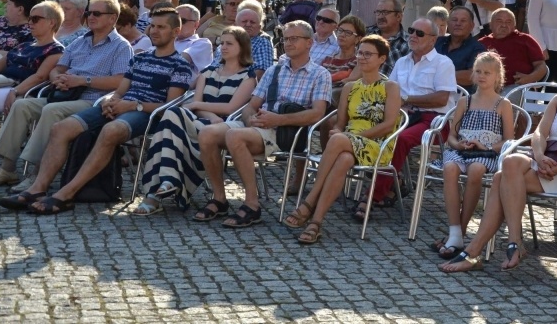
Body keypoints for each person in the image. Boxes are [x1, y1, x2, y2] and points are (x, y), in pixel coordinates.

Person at [0, 7, 193, 214]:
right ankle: (37, 188)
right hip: (120, 106)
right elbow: (120, 90)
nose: (154, 31)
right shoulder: (141, 58)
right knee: (61, 128)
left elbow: (169, 108)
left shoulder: (180, 64)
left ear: (175, 31)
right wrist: (111, 100)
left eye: (161, 27)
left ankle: (66, 194)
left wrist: (132, 105)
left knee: (109, 132)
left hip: (146, 114)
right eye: (152, 26)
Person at [438, 51, 557, 272]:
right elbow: (539, 134)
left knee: (501, 178)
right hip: (545, 160)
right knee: (509, 164)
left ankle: (476, 251)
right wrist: (539, 156)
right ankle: (512, 243)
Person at [196, 21, 331, 227]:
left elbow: (317, 114)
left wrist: (278, 119)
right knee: (207, 133)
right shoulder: (274, 71)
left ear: (309, 43)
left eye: (294, 39)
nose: (288, 43)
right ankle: (219, 198)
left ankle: (252, 205)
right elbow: (252, 105)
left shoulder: (320, 74)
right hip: (260, 126)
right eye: (286, 39)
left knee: (234, 136)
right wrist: (251, 118)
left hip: (288, 133)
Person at [0, 0, 132, 192]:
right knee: (22, 104)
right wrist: (57, 77)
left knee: (52, 110)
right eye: (89, 12)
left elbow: (121, 81)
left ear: (113, 18)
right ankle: (8, 168)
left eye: (97, 13)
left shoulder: (121, 46)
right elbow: (57, 68)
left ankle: (37, 174)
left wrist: (83, 80)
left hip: (92, 101)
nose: (91, 16)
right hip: (64, 93)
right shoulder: (79, 42)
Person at [282, 35, 401, 244]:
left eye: (368, 54)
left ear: (382, 58)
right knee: (343, 158)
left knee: (338, 141)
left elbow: (388, 125)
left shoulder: (390, 87)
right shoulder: (350, 87)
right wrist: (338, 131)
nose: (362, 57)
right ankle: (316, 222)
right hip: (348, 144)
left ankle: (309, 201)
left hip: (377, 144)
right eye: (360, 53)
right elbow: (340, 122)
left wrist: (350, 136)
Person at [134, 26, 256, 214]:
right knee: (173, 114)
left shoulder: (248, 76)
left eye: (229, 43)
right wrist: (209, 114)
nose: (223, 47)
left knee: (171, 125)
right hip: (205, 121)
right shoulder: (207, 72)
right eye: (221, 43)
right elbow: (196, 104)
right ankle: (167, 180)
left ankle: (155, 193)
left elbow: (231, 108)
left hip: (227, 125)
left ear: (242, 47)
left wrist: (200, 108)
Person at [354, 17, 456, 219]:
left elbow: (442, 97)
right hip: (403, 115)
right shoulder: (402, 61)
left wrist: (406, 99)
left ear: (433, 39)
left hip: (434, 121)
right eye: (411, 30)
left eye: (420, 33)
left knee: (398, 140)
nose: (413, 36)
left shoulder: (443, 63)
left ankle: (372, 196)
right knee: (370, 130)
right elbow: (389, 92)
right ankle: (394, 180)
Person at [434, 52, 515, 259]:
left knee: (476, 170)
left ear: (497, 76)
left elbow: (508, 140)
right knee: (449, 167)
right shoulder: (465, 102)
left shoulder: (502, 104)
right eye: (478, 71)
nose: (482, 76)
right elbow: (452, 135)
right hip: (461, 151)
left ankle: (459, 232)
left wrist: (484, 145)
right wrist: (458, 144)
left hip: (486, 153)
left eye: (487, 73)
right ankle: (455, 231)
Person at [0, 1, 64, 115]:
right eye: (29, 19)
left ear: (51, 22)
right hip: (1, 84)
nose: (30, 23)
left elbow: (40, 77)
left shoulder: (56, 50)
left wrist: (15, 91)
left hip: (20, 90)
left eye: (35, 19)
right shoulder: (23, 46)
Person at [479, 8, 547, 94]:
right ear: (490, 25)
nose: (504, 25)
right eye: (499, 21)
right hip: (487, 88)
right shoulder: (481, 43)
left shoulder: (526, 40)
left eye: (508, 22)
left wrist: (530, 78)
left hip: (519, 88)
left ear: (514, 25)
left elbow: (541, 66)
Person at [209, 3, 274, 81]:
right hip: (213, 83)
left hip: (239, 87)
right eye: (244, 21)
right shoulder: (225, 43)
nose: (248, 24)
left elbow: (261, 72)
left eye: (252, 22)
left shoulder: (262, 42)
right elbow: (212, 67)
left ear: (259, 28)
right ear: (235, 25)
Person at [434, 6, 486, 93]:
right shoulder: (436, 42)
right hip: (430, 93)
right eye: (454, 20)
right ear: (448, 23)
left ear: (472, 26)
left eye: (463, 21)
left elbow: (473, 75)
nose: (458, 23)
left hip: (461, 100)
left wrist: (438, 74)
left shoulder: (477, 48)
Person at [365, 0, 409, 76]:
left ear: (399, 16)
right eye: (378, 12)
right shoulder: (366, 34)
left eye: (385, 12)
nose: (380, 17)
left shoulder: (408, 43)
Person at [321, 15, 364, 89]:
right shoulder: (327, 60)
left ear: (358, 39)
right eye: (340, 30)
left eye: (348, 32)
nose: (342, 35)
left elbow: (347, 85)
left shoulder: (360, 61)